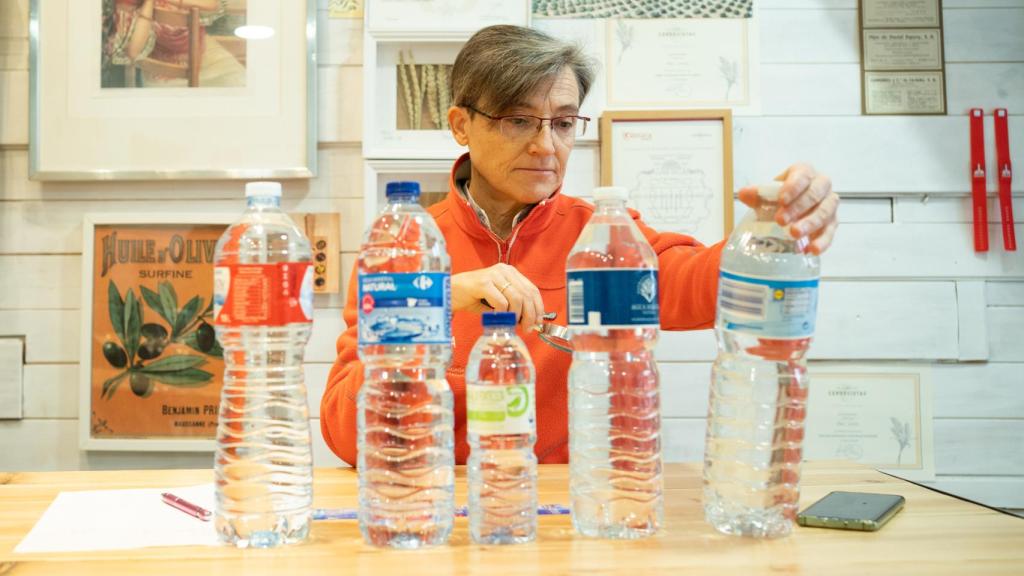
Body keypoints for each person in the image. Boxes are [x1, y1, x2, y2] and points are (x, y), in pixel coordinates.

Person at [321, 25, 839, 466]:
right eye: (518, 120)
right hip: (437, 508)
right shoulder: (402, 247)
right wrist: (431, 302)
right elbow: (346, 434)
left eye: (564, 123)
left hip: (573, 512)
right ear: (461, 125)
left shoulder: (602, 240)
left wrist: (774, 229)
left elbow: (700, 282)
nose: (546, 145)